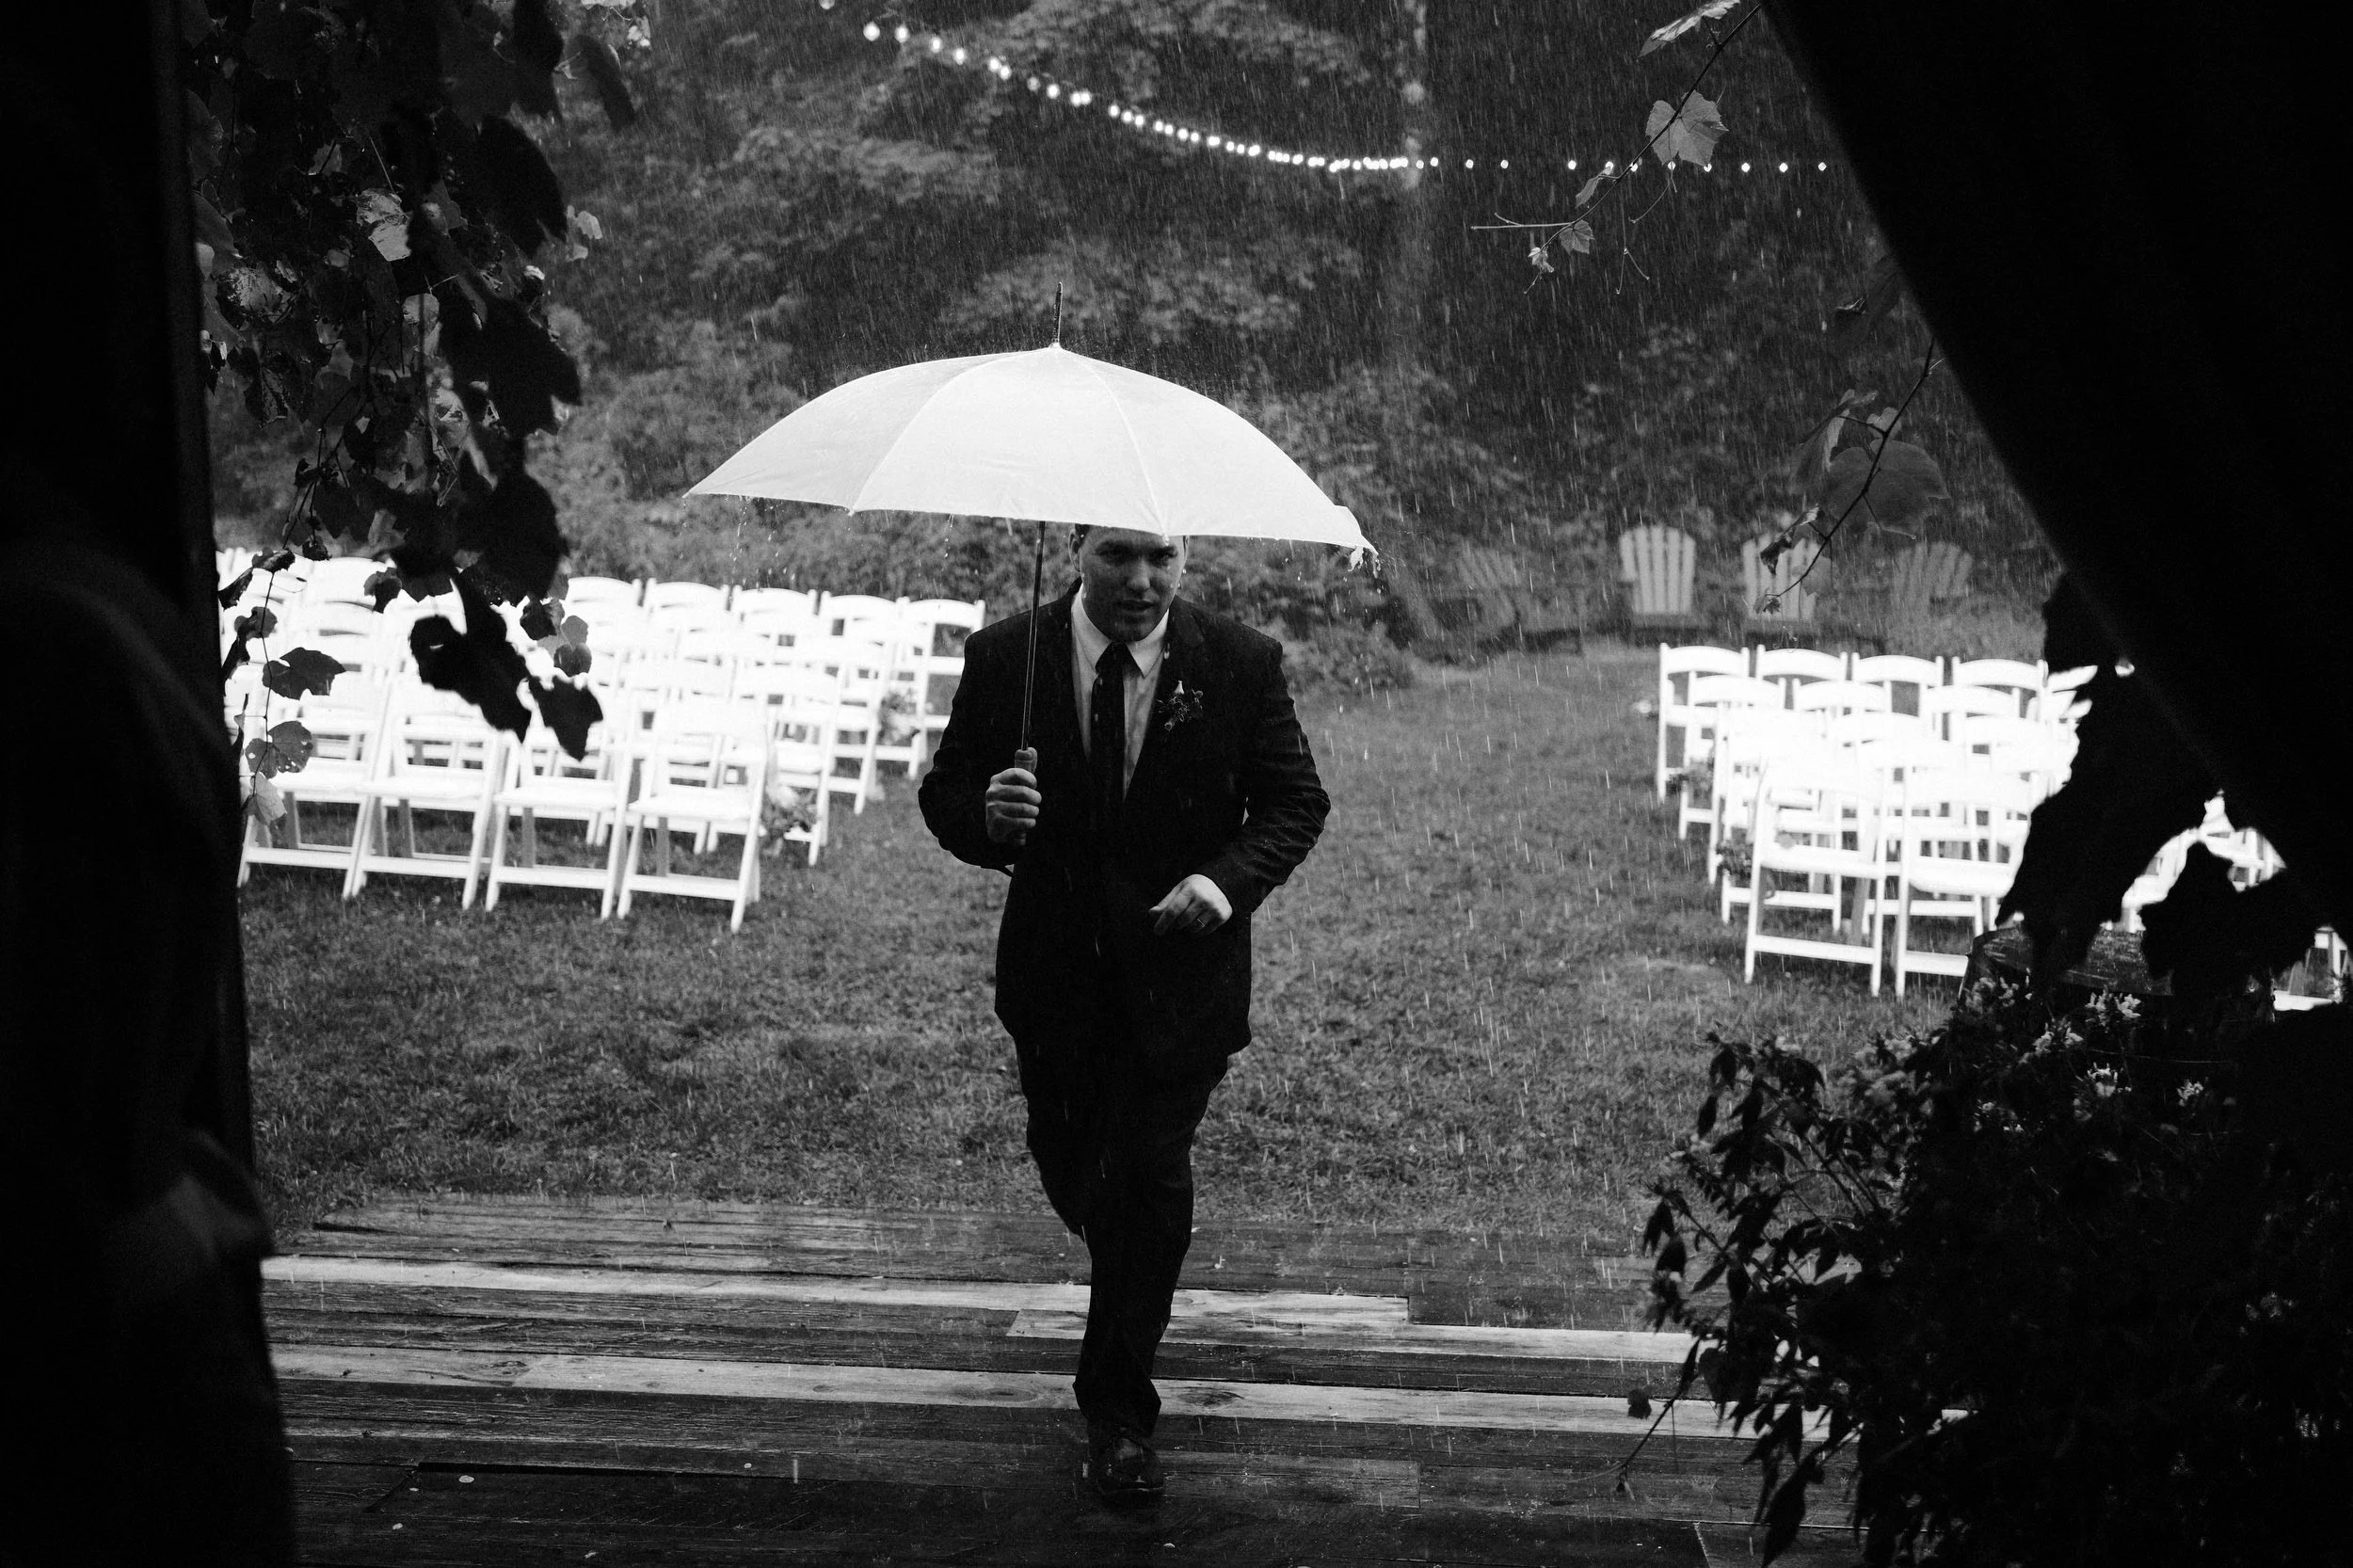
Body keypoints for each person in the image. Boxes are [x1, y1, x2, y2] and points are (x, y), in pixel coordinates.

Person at [919, 525, 1329, 1507]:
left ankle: (1117, 1411)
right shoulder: (1004, 655)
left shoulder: (1238, 661)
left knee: (1146, 1171)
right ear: (1076, 553)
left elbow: (1294, 803)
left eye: (1161, 559)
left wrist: (1223, 883)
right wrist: (989, 819)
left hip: (1180, 981)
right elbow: (944, 793)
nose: (1141, 581)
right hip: (1054, 976)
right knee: (1076, 1166)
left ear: (1183, 560)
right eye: (1117, 558)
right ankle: (1134, 1269)